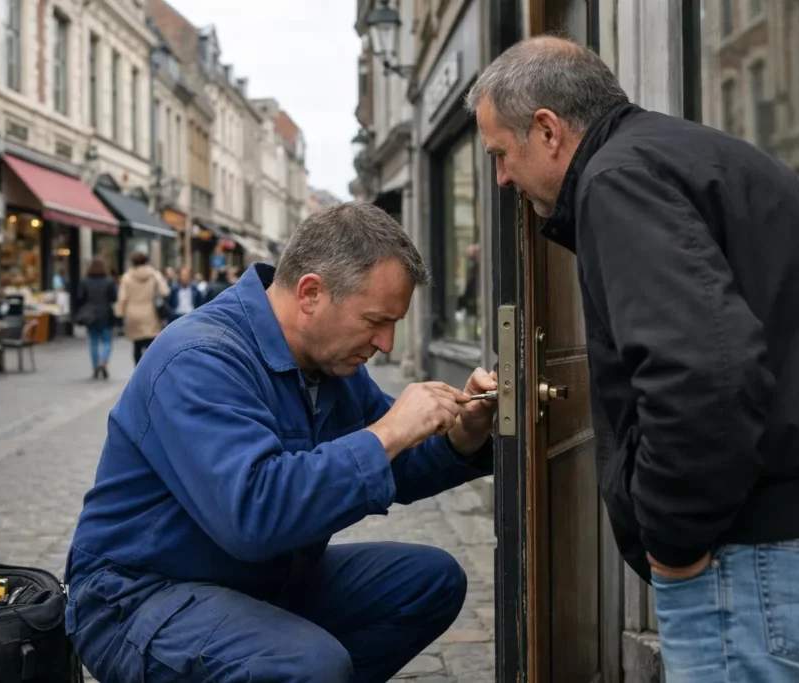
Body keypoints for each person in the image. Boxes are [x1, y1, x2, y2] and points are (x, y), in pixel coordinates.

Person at [467, 36, 799, 682]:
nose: (502, 177)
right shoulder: (687, 154)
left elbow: (703, 374)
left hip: (761, 561)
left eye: (501, 154)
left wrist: (671, 545)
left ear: (548, 130)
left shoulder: (620, 179)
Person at [64, 202, 499, 683]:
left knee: (429, 581)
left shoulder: (331, 362)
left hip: (260, 579)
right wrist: (388, 430)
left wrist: (465, 434)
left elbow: (395, 465)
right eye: (375, 320)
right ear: (311, 293)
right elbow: (253, 515)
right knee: (305, 664)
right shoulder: (199, 358)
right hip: (138, 598)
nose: (387, 344)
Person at [115, 251, 169, 366]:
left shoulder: (127, 277)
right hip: (150, 313)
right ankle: (150, 369)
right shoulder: (154, 274)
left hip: (132, 314)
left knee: (137, 345)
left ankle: (137, 370)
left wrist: (119, 314)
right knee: (151, 345)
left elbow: (122, 298)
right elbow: (165, 291)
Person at [75, 258, 117, 379]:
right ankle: (103, 362)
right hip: (105, 315)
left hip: (90, 316)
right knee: (107, 341)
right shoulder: (109, 281)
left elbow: (80, 298)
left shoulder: (85, 281)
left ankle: (95, 366)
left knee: (93, 342)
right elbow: (114, 297)